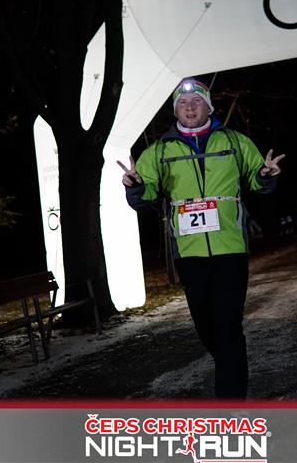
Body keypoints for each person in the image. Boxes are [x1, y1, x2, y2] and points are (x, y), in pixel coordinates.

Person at [118, 78, 285, 399]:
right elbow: (145, 195)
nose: (190, 107)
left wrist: (265, 175)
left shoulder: (235, 141)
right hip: (189, 252)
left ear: (209, 107)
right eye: (182, 103)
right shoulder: (159, 151)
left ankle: (231, 401)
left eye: (196, 101)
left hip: (230, 248)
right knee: (206, 327)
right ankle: (231, 365)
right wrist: (135, 185)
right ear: (175, 111)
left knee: (228, 324)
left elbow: (257, 180)